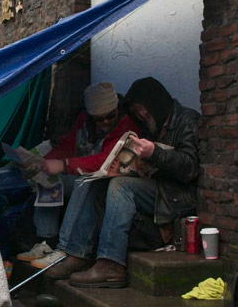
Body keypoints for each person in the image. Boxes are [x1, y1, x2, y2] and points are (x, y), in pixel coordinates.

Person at [45, 77, 200, 287]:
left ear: (156, 102)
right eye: (137, 110)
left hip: (176, 194)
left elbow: (190, 167)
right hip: (157, 186)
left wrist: (154, 153)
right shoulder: (149, 125)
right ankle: (78, 253)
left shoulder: (187, 120)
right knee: (94, 182)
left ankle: (111, 264)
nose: (142, 114)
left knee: (121, 186)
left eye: (144, 109)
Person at [16, 82, 140, 268]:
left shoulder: (126, 126)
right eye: (99, 119)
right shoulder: (83, 121)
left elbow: (103, 159)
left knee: (85, 182)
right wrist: (42, 165)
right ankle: (46, 242)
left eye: (110, 116)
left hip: (106, 184)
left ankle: (64, 248)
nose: (105, 122)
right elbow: (66, 145)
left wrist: (65, 164)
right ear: (90, 115)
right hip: (81, 173)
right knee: (47, 179)